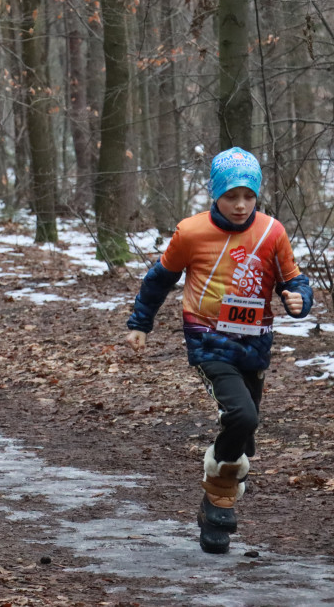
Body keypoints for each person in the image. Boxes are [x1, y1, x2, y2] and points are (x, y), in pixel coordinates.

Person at [124, 147, 313, 554]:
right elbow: (159, 280)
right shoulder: (191, 233)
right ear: (215, 195)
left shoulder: (271, 232)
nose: (241, 205)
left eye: (248, 195)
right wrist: (141, 323)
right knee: (241, 415)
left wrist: (298, 299)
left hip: (255, 342)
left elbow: (293, 280)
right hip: (207, 338)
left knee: (246, 434)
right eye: (231, 196)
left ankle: (213, 505)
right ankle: (219, 499)